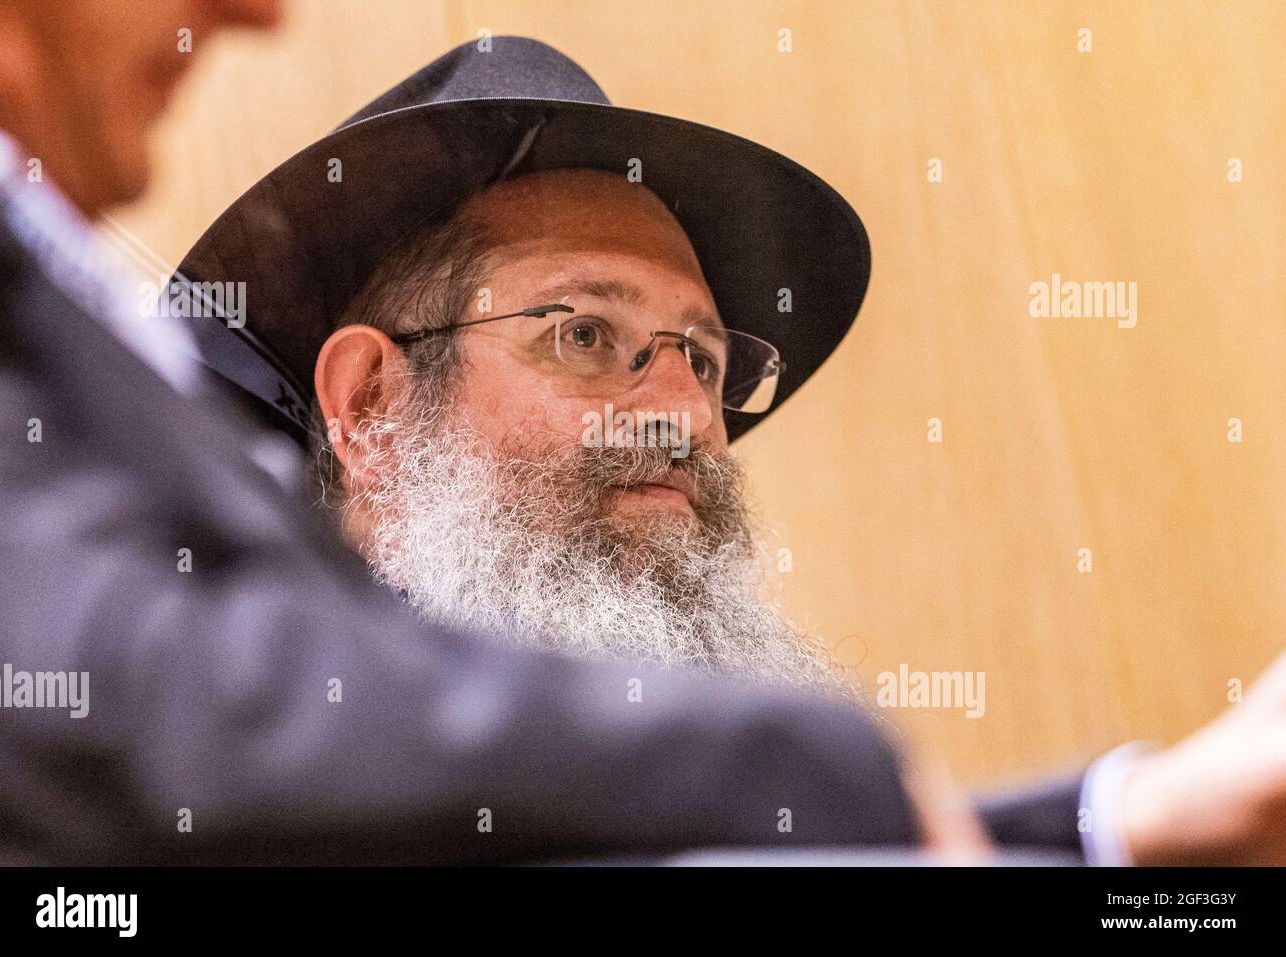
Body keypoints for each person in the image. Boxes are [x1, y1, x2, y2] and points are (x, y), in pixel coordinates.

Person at [180, 36, 1286, 866]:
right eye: (583, 333)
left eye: (703, 361)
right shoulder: (221, 771)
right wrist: (1133, 821)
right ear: (370, 404)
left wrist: (1151, 817)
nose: (683, 415)